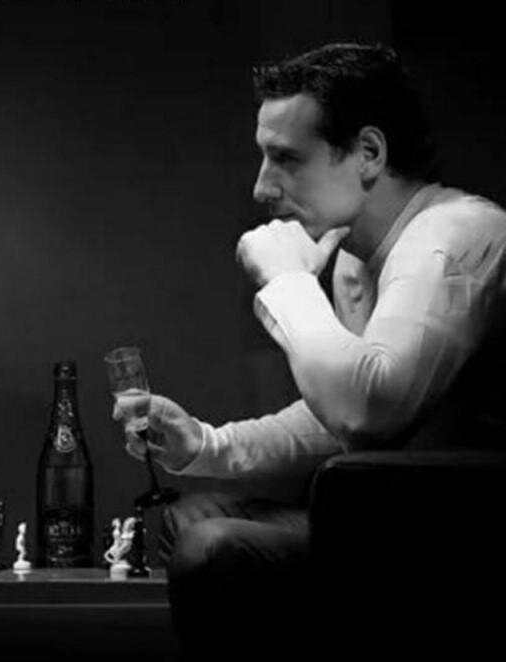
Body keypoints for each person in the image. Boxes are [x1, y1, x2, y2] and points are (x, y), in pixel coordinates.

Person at [113, 43, 506, 656]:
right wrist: (206, 444)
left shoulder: (452, 237)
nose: (262, 187)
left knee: (214, 549)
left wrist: (287, 281)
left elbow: (368, 409)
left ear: (369, 153)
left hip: (467, 538)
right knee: (188, 517)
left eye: (286, 159)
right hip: (395, 518)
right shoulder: (354, 259)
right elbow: (338, 419)